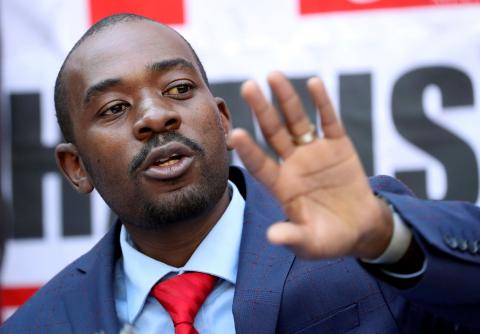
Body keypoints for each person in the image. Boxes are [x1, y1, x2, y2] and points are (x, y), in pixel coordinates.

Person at [2, 13, 480, 334]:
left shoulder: (366, 241)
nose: (155, 116)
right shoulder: (40, 323)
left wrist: (388, 240)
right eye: (115, 108)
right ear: (76, 167)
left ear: (223, 118)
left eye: (179, 87)